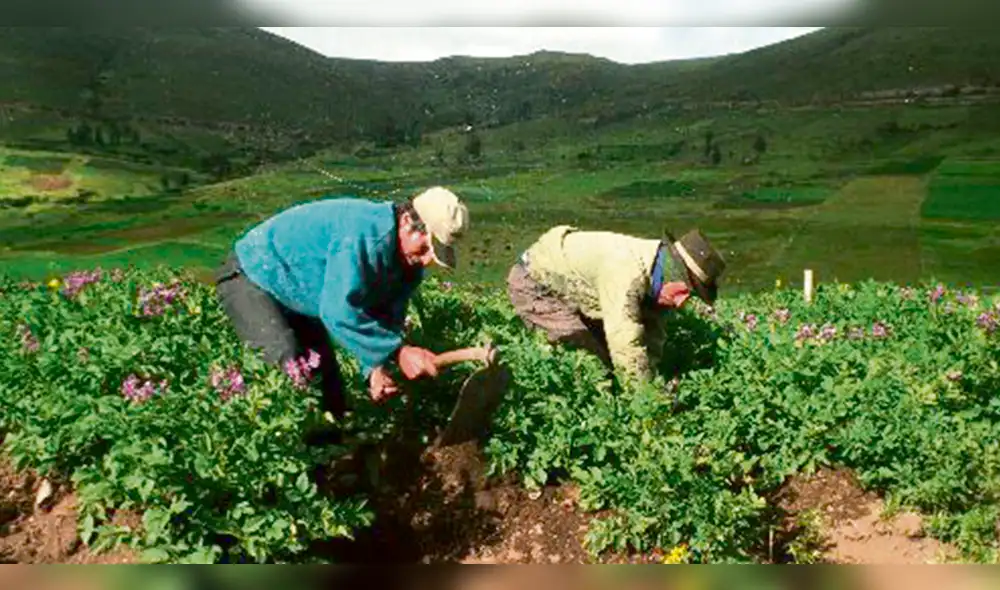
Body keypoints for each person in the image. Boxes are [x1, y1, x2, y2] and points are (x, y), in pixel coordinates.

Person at [213, 186, 470, 420]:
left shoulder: (407, 265)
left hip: (300, 294)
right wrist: (399, 352)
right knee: (289, 370)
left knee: (329, 394)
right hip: (253, 275)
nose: (426, 261)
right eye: (425, 248)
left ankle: (333, 462)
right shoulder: (364, 236)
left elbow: (385, 317)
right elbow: (339, 311)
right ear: (406, 222)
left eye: (433, 254)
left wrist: (374, 367)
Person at [506, 225, 725, 386]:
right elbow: (625, 341)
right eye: (684, 291)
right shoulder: (627, 272)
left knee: (610, 362)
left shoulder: (659, 277)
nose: (681, 302)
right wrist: (645, 404)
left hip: (579, 290)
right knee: (591, 366)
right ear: (671, 274)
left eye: (690, 296)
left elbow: (651, 335)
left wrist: (652, 374)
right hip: (536, 283)